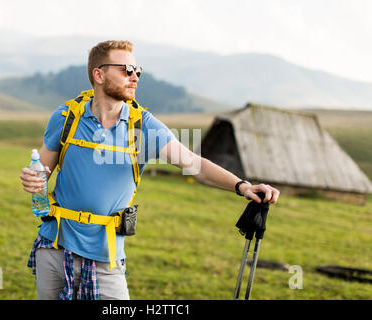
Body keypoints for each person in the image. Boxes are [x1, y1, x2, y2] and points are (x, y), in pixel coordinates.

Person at [19, 40, 280, 300]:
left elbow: (194, 164)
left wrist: (242, 186)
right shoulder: (66, 117)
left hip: (106, 257)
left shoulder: (144, 126)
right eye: (126, 70)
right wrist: (34, 179)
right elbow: (42, 170)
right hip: (54, 247)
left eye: (137, 71)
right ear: (98, 74)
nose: (134, 77)